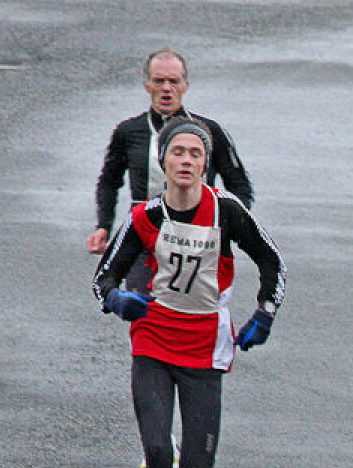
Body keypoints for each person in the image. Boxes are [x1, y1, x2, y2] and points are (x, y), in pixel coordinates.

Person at [93, 117, 286, 468]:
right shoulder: (144, 218)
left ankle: (189, 458)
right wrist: (118, 300)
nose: (186, 161)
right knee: (157, 451)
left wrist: (264, 313)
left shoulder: (226, 211)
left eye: (195, 154)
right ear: (163, 161)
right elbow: (103, 281)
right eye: (177, 152)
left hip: (204, 347)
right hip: (153, 341)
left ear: (205, 164)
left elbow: (273, 263)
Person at [86, 47, 253, 294]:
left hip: (198, 238)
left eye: (173, 81)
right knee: (143, 312)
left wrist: (230, 226)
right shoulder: (129, 132)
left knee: (194, 316)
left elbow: (239, 184)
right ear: (147, 85)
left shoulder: (210, 132)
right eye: (159, 81)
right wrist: (103, 225)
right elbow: (109, 181)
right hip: (145, 235)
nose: (166, 88)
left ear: (185, 85)